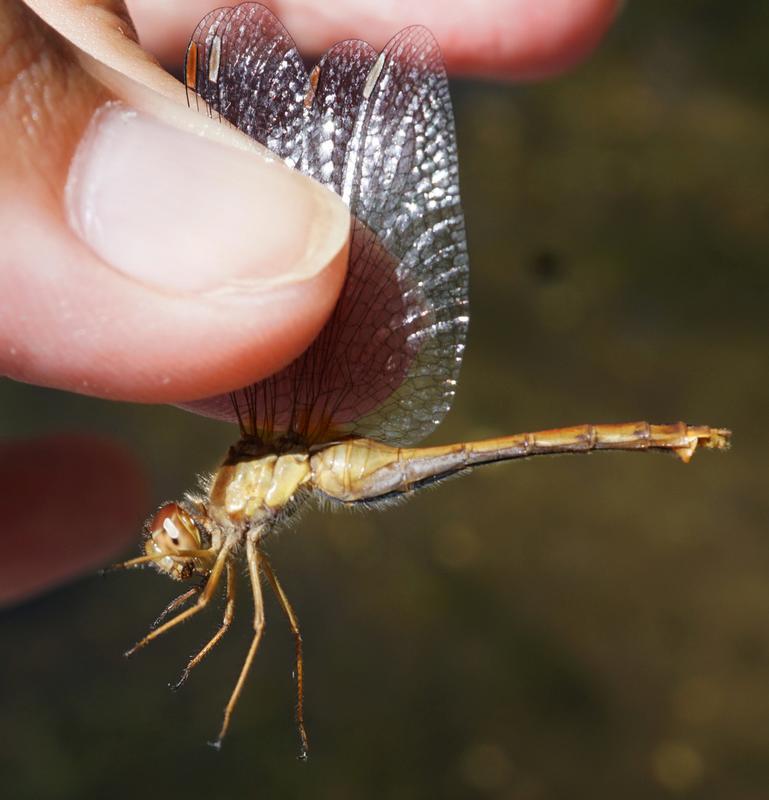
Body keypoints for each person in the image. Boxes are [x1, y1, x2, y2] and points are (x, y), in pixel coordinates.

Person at [0, 0, 619, 603]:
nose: (174, 546)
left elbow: (261, 622)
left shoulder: (247, 465)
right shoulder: (248, 473)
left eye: (174, 536)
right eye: (176, 541)